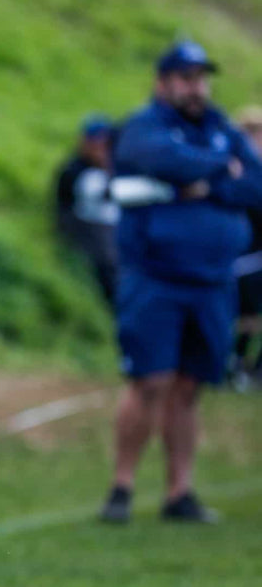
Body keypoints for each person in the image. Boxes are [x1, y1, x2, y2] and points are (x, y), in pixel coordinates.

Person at [99, 40, 262, 524]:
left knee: (191, 387)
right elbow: (158, 158)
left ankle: (179, 493)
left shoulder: (220, 128)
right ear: (163, 82)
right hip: (156, 279)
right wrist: (215, 170)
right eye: (186, 78)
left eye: (201, 78)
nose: (197, 87)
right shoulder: (144, 126)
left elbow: (254, 184)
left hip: (213, 283)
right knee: (149, 381)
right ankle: (121, 487)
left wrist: (200, 182)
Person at [54, 115, 120, 303]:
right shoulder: (75, 171)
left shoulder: (109, 170)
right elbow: (101, 194)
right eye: (98, 145)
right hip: (85, 234)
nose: (103, 151)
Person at [231, 106, 262, 388]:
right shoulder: (237, 166)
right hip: (243, 252)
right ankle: (236, 363)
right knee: (245, 313)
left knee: (251, 313)